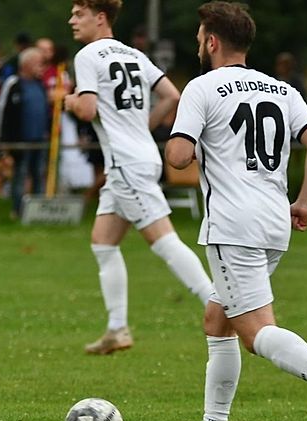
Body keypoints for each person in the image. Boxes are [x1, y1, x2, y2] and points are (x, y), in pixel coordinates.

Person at [159, 1, 307, 421]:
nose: (198, 44)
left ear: (212, 41)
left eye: (199, 38)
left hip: (234, 224)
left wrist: (172, 133)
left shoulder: (202, 87)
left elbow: (178, 157)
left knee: (253, 332)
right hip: (274, 220)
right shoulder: (282, 89)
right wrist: (305, 201)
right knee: (218, 319)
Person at [64, 0, 215, 355]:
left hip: (126, 163)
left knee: (163, 239)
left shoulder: (88, 56)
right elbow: (171, 96)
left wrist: (68, 101)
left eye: (78, 14)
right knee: (103, 241)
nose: (72, 20)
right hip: (138, 157)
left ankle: (220, 303)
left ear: (100, 18)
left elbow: (86, 109)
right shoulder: (134, 54)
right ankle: (117, 329)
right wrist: (140, 127)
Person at [0, 47, 49, 217]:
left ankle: (38, 211)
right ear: (27, 64)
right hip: (20, 140)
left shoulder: (40, 85)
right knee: (20, 175)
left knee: (39, 175)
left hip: (39, 139)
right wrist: (3, 140)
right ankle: (17, 210)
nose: (42, 67)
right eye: (39, 63)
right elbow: (2, 111)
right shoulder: (14, 84)